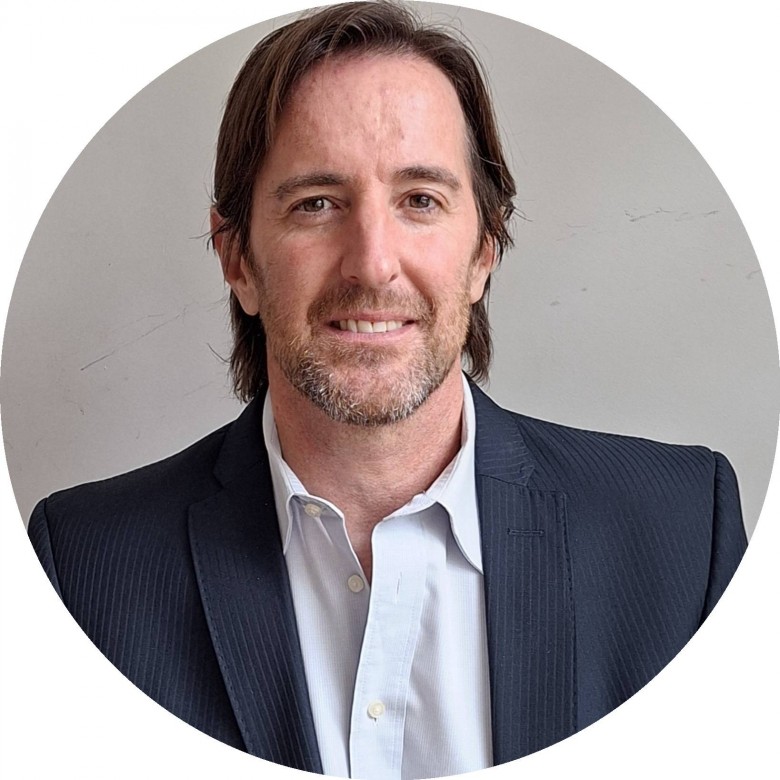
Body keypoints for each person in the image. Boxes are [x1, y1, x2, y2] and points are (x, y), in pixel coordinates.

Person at [27, 2, 747, 778]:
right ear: (237, 260)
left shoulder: (681, 536)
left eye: (421, 200)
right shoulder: (81, 572)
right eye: (317, 203)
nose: (372, 263)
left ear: (484, 251)